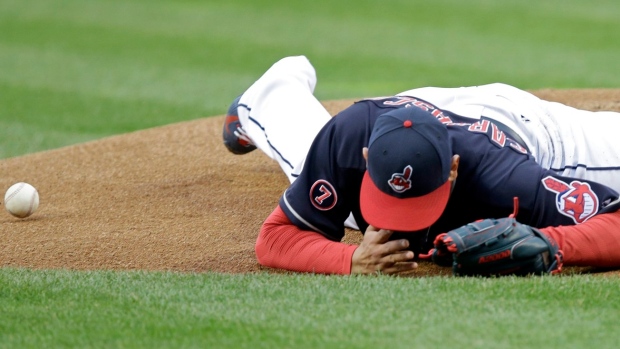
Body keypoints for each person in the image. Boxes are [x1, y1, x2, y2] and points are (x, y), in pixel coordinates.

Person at [222, 55, 620, 275]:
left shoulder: (509, 179)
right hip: (414, 112)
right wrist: (350, 260)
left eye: (416, 203)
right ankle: (268, 92)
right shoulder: (349, 138)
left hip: (531, 129)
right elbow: (274, 237)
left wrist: (553, 243)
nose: (399, 221)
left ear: (453, 170)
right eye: (388, 201)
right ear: (366, 159)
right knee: (311, 163)